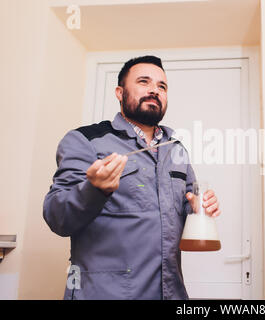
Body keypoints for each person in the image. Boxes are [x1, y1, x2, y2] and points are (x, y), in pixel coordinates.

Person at [43, 55, 221, 300]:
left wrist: (197, 210)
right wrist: (94, 189)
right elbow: (58, 217)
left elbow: (184, 207)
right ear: (119, 92)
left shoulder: (176, 149)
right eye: (144, 82)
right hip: (105, 294)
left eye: (162, 86)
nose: (154, 90)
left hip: (171, 293)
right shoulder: (85, 140)